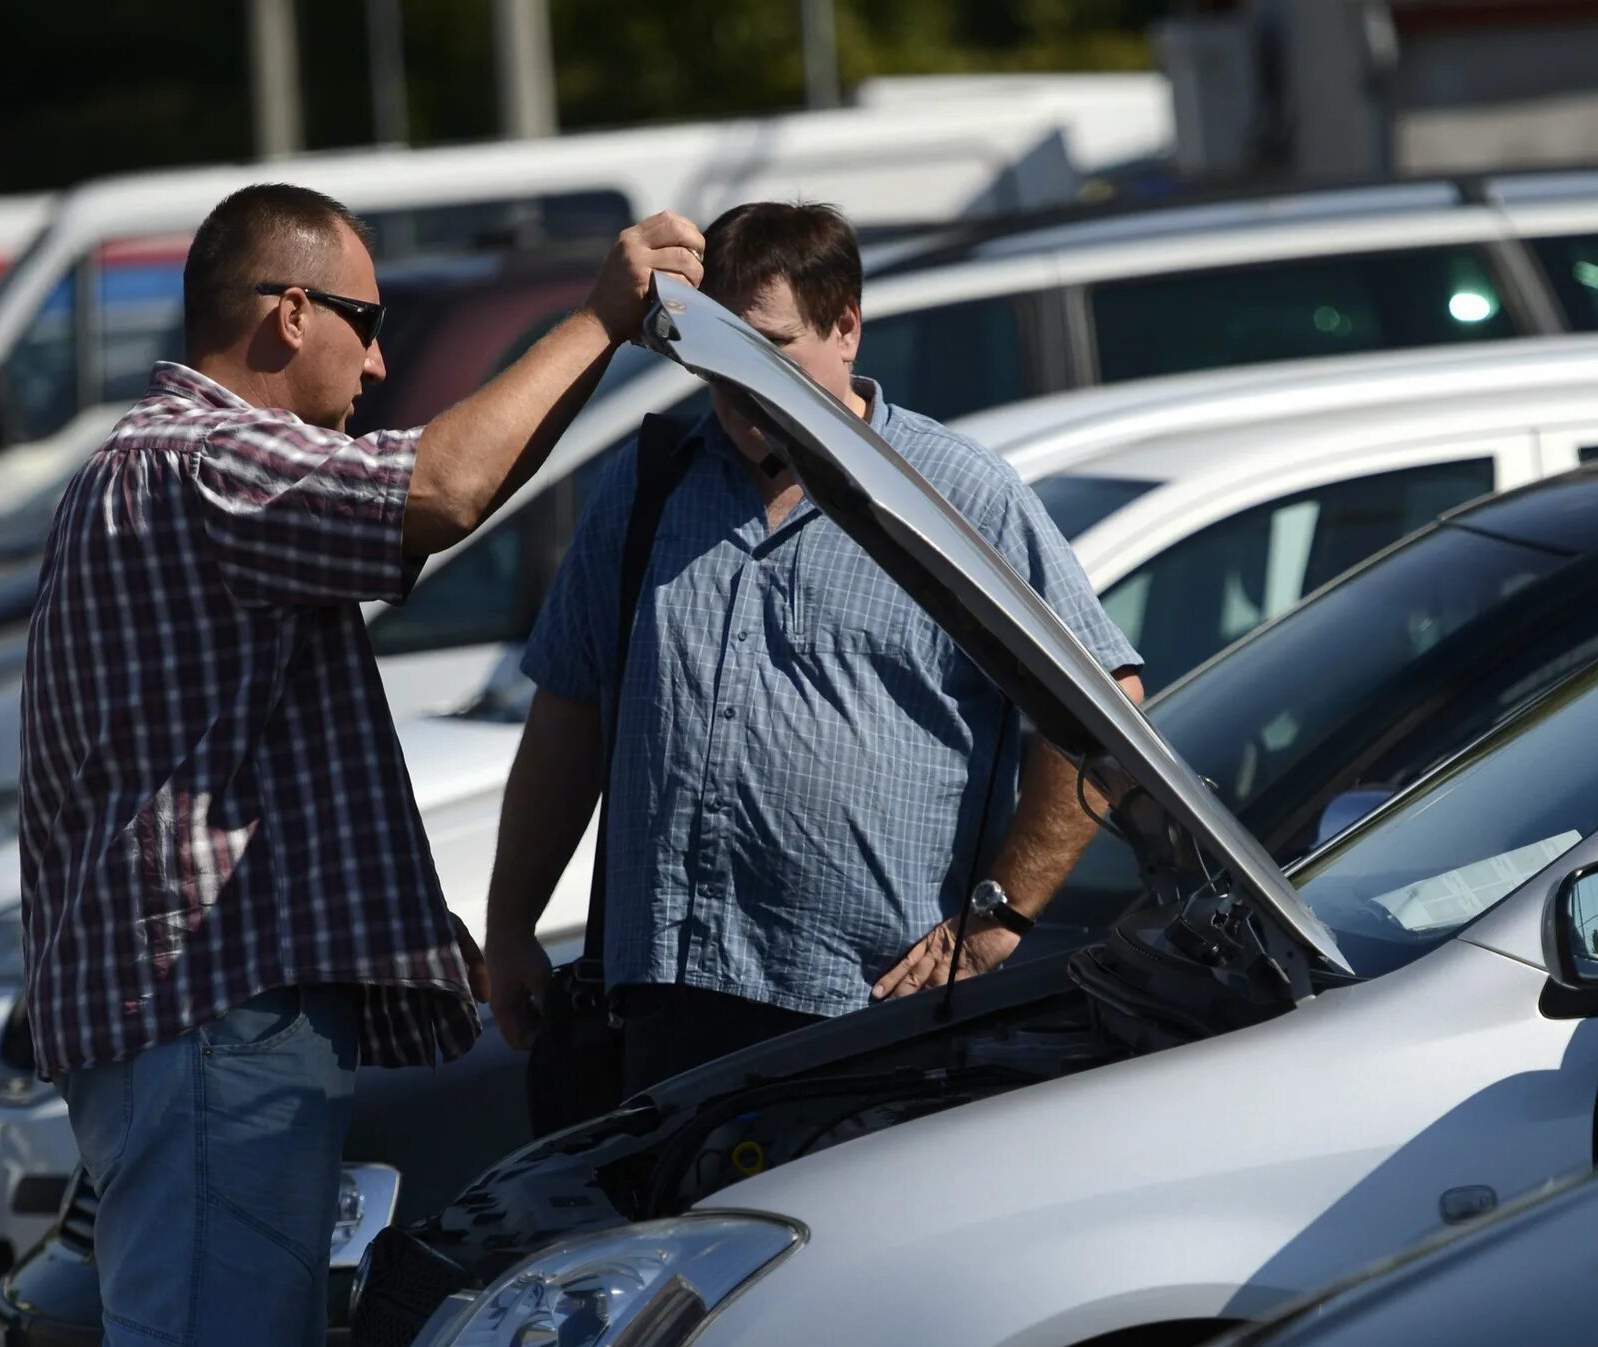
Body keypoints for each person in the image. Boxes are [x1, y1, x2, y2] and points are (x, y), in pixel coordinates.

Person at [17, 182, 701, 1347]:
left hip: (206, 1015)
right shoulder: (204, 459)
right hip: (206, 1016)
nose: (387, 356)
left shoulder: (173, 472)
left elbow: (404, 517)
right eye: (371, 322)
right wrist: (602, 315)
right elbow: (448, 489)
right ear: (280, 317)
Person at [479, 201, 1142, 1094]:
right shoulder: (649, 484)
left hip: (866, 1020)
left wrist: (994, 920)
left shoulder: (954, 499)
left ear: (846, 330)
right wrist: (512, 923)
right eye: (713, 348)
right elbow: (572, 710)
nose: (738, 382)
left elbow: (1106, 711)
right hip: (665, 1010)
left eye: (772, 347)